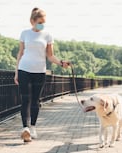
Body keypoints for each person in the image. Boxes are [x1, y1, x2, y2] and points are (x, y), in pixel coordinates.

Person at [14, 7, 71, 142]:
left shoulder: (47, 35)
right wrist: (16, 71)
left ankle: (32, 126)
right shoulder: (25, 33)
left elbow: (50, 56)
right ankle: (25, 129)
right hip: (24, 69)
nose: (42, 25)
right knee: (25, 99)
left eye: (43, 22)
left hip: (39, 71)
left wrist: (61, 63)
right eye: (40, 22)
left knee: (35, 100)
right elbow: (20, 53)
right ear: (32, 21)